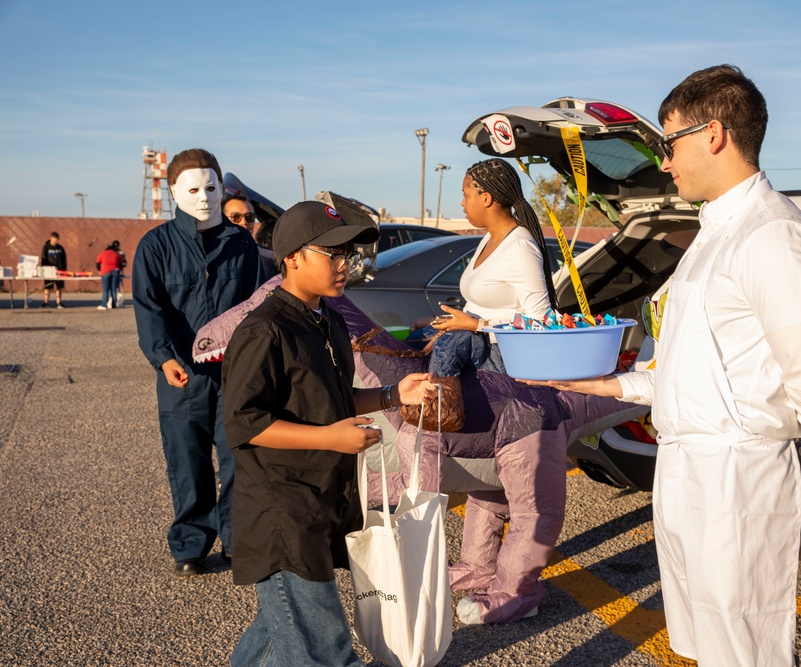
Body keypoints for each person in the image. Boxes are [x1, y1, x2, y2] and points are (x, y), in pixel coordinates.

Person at [527, 65, 801, 665]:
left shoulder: (773, 237)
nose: (666, 163)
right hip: (689, 470)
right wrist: (605, 383)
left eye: (670, 143)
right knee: (702, 644)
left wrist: (726, 428)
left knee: (741, 649)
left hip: (736, 477)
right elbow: (694, 366)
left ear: (715, 134)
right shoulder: (713, 234)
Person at [222, 200, 434, 666]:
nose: (345, 266)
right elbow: (244, 423)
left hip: (320, 502)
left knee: (281, 633)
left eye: (348, 255)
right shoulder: (264, 330)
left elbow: (334, 398)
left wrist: (393, 395)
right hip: (282, 512)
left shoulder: (328, 320)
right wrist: (330, 438)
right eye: (332, 254)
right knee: (326, 649)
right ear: (293, 257)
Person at [133, 148, 263, 576]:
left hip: (233, 375)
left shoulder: (241, 243)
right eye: (193, 189)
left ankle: (238, 541)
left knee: (238, 459)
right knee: (187, 463)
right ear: (173, 191)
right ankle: (190, 545)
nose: (205, 198)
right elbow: (149, 310)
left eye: (212, 187)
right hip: (181, 378)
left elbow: (255, 305)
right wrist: (163, 359)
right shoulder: (155, 247)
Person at [401, 158, 556, 431]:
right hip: (478, 338)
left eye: (465, 195)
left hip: (504, 352)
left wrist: (475, 325)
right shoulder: (490, 238)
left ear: (486, 198)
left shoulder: (520, 247)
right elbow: (481, 304)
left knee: (454, 340)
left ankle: (439, 411)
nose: (462, 202)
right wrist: (439, 321)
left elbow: (542, 321)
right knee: (414, 336)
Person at [224, 193, 278, 281]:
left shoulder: (270, 258)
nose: (244, 222)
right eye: (236, 217)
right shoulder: (210, 257)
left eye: (249, 217)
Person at [40, 232, 67, 308]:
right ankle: (46, 302)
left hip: (59, 271)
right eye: (56, 239)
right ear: (51, 238)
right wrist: (44, 269)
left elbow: (64, 260)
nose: (57, 241)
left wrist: (64, 271)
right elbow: (43, 258)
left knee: (59, 287)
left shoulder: (60, 248)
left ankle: (58, 302)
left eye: (58, 239)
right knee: (48, 287)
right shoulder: (46, 247)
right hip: (49, 271)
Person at [95, 242, 124, 310]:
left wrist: (99, 270)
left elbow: (98, 263)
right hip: (115, 272)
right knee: (114, 289)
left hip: (105, 271)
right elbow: (121, 264)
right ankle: (113, 304)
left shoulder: (102, 253)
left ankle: (104, 304)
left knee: (106, 289)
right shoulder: (116, 254)